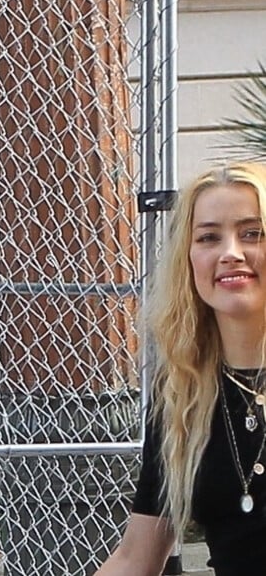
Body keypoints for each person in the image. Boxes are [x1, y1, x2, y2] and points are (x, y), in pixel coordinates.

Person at [96, 162, 266, 576]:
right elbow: (136, 558)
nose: (230, 252)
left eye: (252, 234)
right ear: (188, 259)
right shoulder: (182, 393)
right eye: (209, 237)